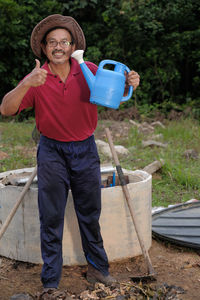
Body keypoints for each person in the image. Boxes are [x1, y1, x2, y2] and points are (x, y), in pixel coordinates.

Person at [1, 14, 140, 298]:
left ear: (73, 44)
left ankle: (98, 270)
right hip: (51, 151)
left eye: (64, 41)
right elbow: (5, 108)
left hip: (85, 149)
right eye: (52, 42)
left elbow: (113, 97)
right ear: (44, 48)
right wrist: (27, 82)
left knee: (90, 213)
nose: (59, 46)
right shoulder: (37, 78)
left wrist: (129, 83)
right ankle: (51, 281)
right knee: (50, 215)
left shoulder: (88, 69)